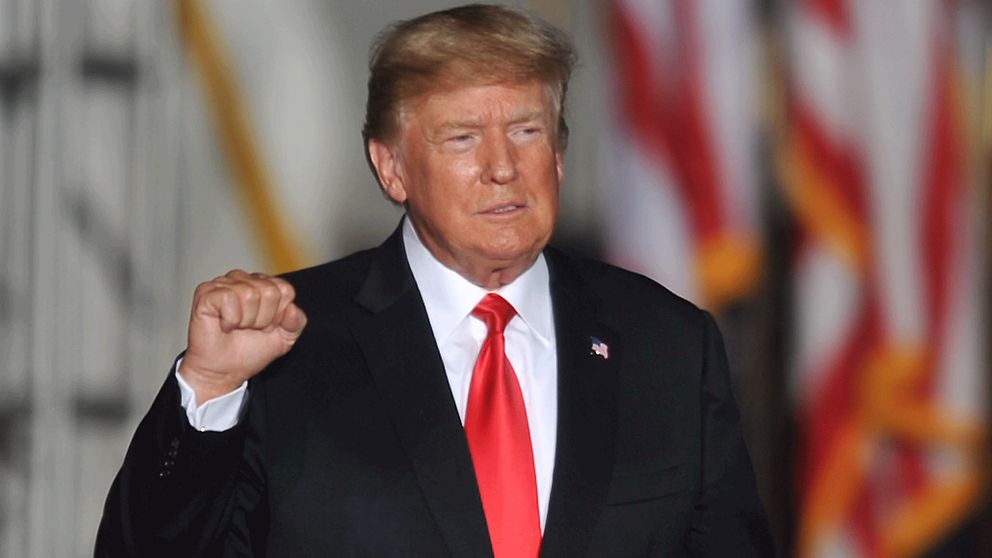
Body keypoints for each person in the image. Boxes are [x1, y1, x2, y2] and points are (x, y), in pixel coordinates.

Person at [96, 4, 773, 557]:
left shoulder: (669, 346)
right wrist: (209, 391)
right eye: (461, 139)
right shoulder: (286, 348)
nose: (503, 166)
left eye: (527, 130)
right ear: (391, 169)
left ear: (560, 156)